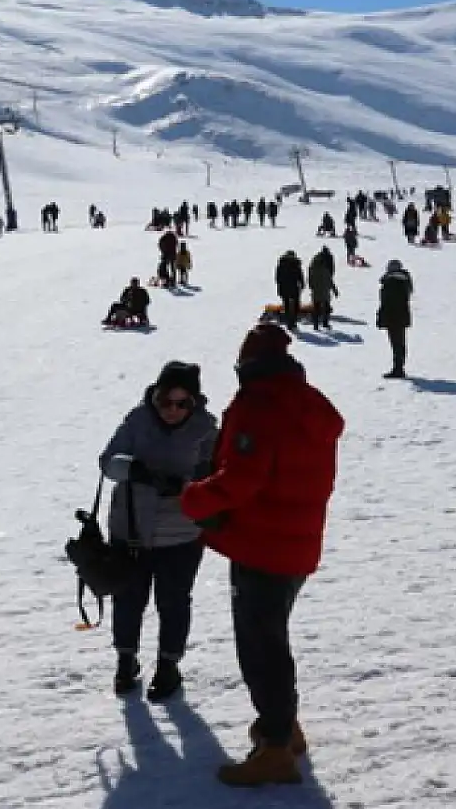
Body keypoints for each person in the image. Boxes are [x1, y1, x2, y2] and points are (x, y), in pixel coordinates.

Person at [181, 324, 343, 787]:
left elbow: (242, 478)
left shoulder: (260, 405)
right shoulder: (309, 403)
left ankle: (274, 746)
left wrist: (194, 499)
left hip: (262, 546)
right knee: (272, 638)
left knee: (260, 646)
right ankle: (285, 728)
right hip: (298, 541)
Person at [97, 362, 217, 701]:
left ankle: (169, 666)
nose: (172, 411)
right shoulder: (138, 420)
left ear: (193, 402)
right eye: (167, 401)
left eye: (182, 404)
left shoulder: (206, 429)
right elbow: (107, 462)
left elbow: (216, 478)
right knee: (128, 599)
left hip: (181, 534)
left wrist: (185, 485)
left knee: (174, 602)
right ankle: (125, 660)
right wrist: (134, 469)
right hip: (131, 529)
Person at [376, 261, 414, 379]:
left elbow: (387, 302)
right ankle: (399, 367)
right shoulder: (404, 281)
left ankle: (398, 369)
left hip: (393, 316)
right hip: (401, 316)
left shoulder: (392, 282)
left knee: (396, 343)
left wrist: (382, 316)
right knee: (400, 342)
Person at [306, 248, 337, 331]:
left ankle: (315, 325)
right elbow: (329, 280)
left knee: (316, 307)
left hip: (315, 290)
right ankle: (325, 323)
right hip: (324, 290)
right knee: (326, 307)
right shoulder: (325, 269)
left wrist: (311, 286)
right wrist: (334, 290)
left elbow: (310, 279)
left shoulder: (313, 268)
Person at [274, 251, 304, 332]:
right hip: (294, 287)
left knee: (286, 305)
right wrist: (302, 284)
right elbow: (300, 276)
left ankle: (288, 322)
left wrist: (280, 286)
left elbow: (277, 278)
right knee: (296, 305)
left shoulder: (281, 264)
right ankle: (293, 322)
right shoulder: (296, 264)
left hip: (283, 288)